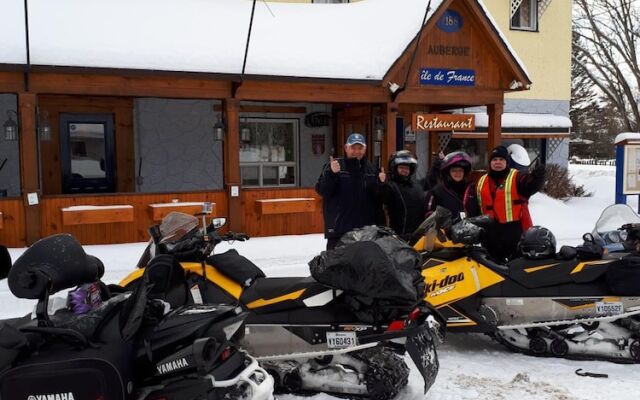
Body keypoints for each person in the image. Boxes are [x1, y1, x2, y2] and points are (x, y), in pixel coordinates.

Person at [464, 145, 545, 262]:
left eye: (501, 159)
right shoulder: (480, 181)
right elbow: (472, 206)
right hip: (489, 235)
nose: (497, 162)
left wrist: (539, 176)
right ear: (490, 163)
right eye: (494, 160)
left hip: (514, 233)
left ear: (507, 162)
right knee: (492, 272)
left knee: (516, 269)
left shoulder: (517, 177)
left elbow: (531, 186)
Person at [315, 133, 385, 250]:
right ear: (346, 148)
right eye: (353, 148)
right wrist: (332, 174)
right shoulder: (335, 165)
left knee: (362, 267)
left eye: (360, 148)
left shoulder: (371, 169)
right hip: (339, 231)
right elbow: (322, 190)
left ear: (365, 149)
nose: (356, 151)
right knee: (337, 266)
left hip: (365, 232)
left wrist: (382, 184)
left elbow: (377, 200)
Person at [379, 150, 426, 241]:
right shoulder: (391, 186)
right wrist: (382, 184)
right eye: (401, 167)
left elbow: (429, 181)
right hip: (399, 236)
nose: (405, 170)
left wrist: (437, 164)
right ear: (395, 168)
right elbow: (382, 198)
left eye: (407, 168)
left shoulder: (416, 185)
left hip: (418, 234)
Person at [425, 151, 472, 220]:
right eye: (454, 170)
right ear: (448, 172)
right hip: (447, 230)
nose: (458, 173)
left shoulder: (471, 190)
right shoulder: (436, 192)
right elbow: (429, 215)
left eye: (460, 170)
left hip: (470, 229)